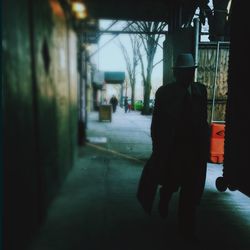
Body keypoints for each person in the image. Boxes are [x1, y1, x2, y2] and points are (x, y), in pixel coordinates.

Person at [137, 53, 209, 240]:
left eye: (190, 72)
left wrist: (204, 148)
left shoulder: (200, 92)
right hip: (174, 149)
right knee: (171, 181)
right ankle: (165, 195)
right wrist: (158, 147)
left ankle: (187, 229)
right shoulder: (165, 93)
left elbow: (203, 122)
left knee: (190, 192)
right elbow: (157, 123)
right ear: (176, 73)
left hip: (193, 151)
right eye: (183, 72)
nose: (187, 76)